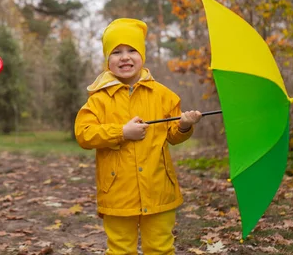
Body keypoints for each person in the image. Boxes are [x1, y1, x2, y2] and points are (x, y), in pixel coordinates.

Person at [74, 18, 202, 255]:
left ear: (142, 55)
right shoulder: (98, 99)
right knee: (121, 248)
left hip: (158, 188)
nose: (125, 57)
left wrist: (184, 126)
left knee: (161, 247)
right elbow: (84, 134)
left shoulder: (163, 95)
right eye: (116, 52)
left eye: (132, 50)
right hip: (117, 192)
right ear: (107, 60)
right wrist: (121, 132)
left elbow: (173, 136)